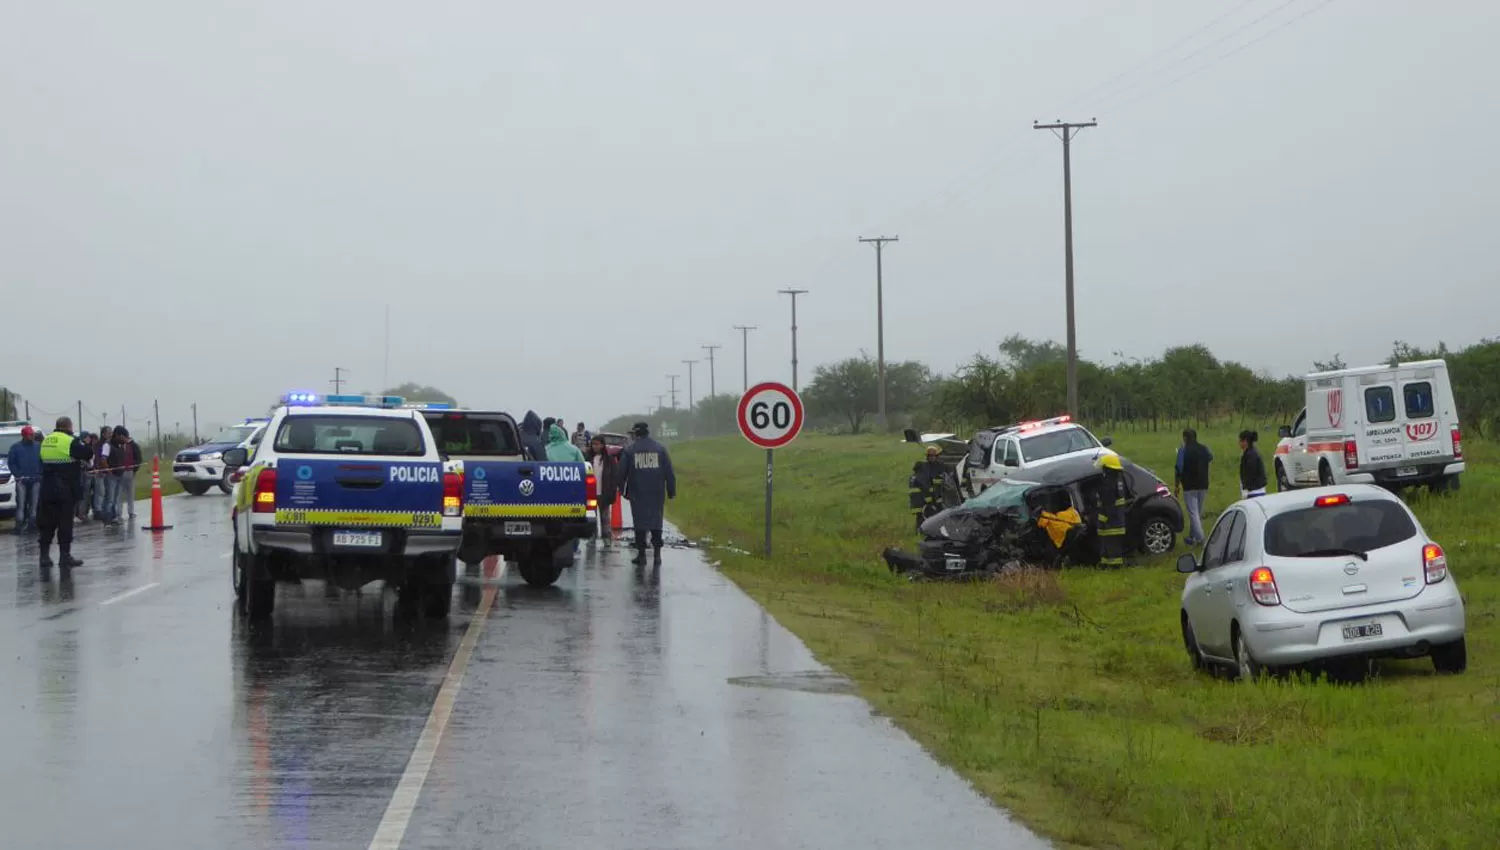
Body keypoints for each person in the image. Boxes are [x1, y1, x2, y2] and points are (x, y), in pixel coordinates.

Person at [617, 421, 675, 566]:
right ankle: (657, 555)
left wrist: (621, 489)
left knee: (640, 523)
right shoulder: (660, 449)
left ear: (635, 434)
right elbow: (669, 472)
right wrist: (671, 491)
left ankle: (641, 555)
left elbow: (620, 473)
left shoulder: (630, 451)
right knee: (656, 522)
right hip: (657, 492)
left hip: (637, 492)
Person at [39, 416, 92, 568]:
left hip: (47, 488)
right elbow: (87, 453)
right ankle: (64, 556)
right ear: (69, 426)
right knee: (65, 523)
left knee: (47, 523)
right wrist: (85, 443)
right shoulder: (69, 441)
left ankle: (44, 556)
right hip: (65, 488)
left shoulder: (46, 440)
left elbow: (41, 461)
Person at [1174, 429, 1213, 546]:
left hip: (1189, 486)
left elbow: (1178, 469)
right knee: (1197, 512)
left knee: (1193, 513)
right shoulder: (1204, 448)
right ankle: (1192, 537)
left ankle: (1201, 539)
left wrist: (1177, 486)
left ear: (1185, 438)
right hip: (1203, 484)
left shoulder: (1183, 451)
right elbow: (1210, 457)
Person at [1093, 453, 1132, 568]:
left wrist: (1102, 517)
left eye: (1103, 468)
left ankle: (1114, 566)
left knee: (1111, 544)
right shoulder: (1118, 480)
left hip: (1111, 520)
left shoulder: (1109, 483)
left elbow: (1108, 503)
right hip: (1117, 519)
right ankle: (1106, 563)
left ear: (1108, 468)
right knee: (1109, 544)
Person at [7, 425, 42, 535]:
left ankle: (32, 524)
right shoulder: (15, 448)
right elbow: (11, 463)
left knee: (34, 503)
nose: (31, 437)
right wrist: (17, 475)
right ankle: (19, 525)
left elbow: (43, 462)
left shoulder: (38, 447)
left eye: (32, 435)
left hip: (35, 479)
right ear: (24, 435)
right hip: (21, 480)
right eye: (30, 435)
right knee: (21, 504)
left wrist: (40, 474)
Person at [907, 444, 948, 533]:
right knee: (921, 514)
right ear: (927, 456)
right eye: (930, 456)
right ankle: (921, 531)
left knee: (929, 513)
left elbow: (938, 484)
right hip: (920, 496)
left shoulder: (938, 466)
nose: (932, 458)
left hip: (927, 495)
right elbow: (925, 485)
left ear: (937, 456)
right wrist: (929, 500)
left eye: (934, 456)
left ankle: (926, 530)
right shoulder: (924, 467)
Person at [589, 435, 619, 541]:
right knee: (592, 518)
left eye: (596, 444)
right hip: (591, 495)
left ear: (602, 445)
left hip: (604, 494)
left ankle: (606, 538)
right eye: (593, 444)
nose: (594, 446)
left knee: (605, 518)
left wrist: (612, 492)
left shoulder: (609, 460)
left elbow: (614, 478)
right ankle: (592, 537)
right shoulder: (588, 460)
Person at [112, 426, 143, 522]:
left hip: (130, 471)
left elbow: (138, 458)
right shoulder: (116, 445)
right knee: (119, 494)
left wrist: (135, 469)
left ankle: (131, 512)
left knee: (130, 493)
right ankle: (118, 513)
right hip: (120, 472)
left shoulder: (133, 445)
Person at [1238, 430, 1267, 499]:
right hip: (1254, 490)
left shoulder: (1251, 456)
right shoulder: (1251, 453)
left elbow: (1250, 473)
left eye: (1240, 441)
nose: (1239, 443)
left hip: (1254, 492)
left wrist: (1245, 488)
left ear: (1245, 441)